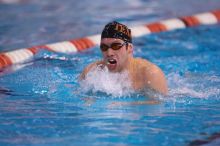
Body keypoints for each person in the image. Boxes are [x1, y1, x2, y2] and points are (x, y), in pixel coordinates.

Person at [80, 21, 168, 96]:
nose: (109, 53)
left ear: (129, 48)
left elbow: (157, 108)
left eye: (116, 46)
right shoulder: (91, 72)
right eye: (104, 47)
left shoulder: (150, 74)